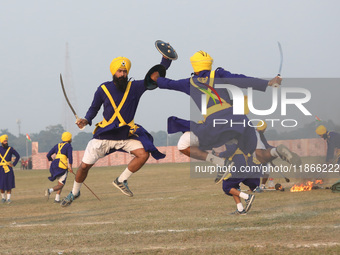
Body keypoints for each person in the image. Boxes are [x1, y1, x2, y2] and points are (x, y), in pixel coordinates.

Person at [152, 50, 282, 183]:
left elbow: (164, 83)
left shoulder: (189, 83)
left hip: (214, 127)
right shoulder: (218, 74)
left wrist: (161, 67)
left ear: (194, 66)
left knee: (183, 144)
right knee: (258, 155)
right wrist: (267, 83)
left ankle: (221, 163)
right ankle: (275, 154)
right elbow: (241, 80)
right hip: (238, 122)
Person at [61, 56, 172, 207]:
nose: (122, 74)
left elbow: (154, 77)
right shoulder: (103, 89)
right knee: (84, 167)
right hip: (105, 135)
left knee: (144, 154)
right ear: (114, 72)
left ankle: (121, 180)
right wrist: (86, 120)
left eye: (125, 72)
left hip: (125, 135)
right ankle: (74, 192)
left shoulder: (135, 87)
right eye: (120, 71)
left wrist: (166, 60)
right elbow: (94, 108)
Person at [254, 120, 301, 189]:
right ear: (264, 129)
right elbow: (266, 146)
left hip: (258, 153)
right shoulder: (259, 134)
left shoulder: (255, 133)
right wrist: (275, 149)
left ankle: (260, 186)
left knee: (261, 170)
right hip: (257, 154)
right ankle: (278, 152)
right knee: (265, 170)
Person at [45, 132, 73, 203]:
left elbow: (48, 155)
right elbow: (70, 157)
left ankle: (57, 199)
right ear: (69, 138)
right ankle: (49, 190)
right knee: (61, 184)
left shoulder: (57, 145)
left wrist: (52, 160)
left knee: (60, 183)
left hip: (54, 165)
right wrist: (70, 167)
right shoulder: (68, 146)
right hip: (62, 165)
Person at [0, 134, 20, 204]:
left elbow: (18, 156)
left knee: (9, 183)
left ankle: (8, 199)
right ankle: (3, 198)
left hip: (9, 168)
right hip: (1, 169)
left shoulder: (10, 149)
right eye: (4, 141)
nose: (6, 142)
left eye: (6, 141)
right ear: (1, 142)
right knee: (1, 184)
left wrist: (13, 164)